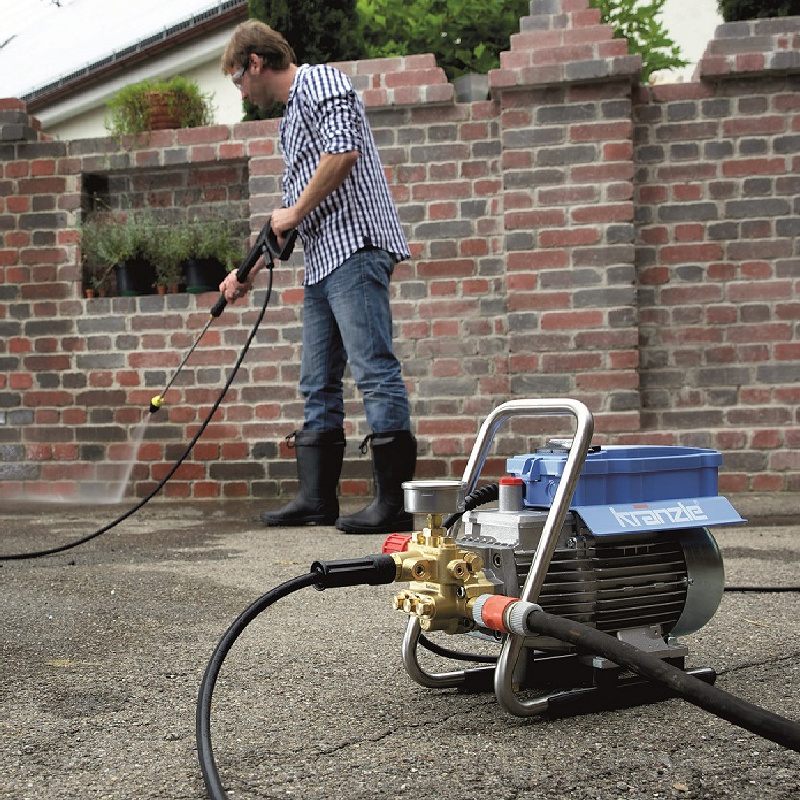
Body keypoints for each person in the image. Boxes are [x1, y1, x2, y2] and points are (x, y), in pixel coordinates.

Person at [219, 20, 416, 534]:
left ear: (255, 62)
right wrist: (244, 273)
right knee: (316, 382)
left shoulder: (321, 82)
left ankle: (393, 505)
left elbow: (344, 152)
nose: (240, 89)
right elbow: (286, 217)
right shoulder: (289, 121)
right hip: (323, 259)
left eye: (237, 79)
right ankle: (315, 499)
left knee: (374, 370)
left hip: (356, 245)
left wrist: (293, 211)